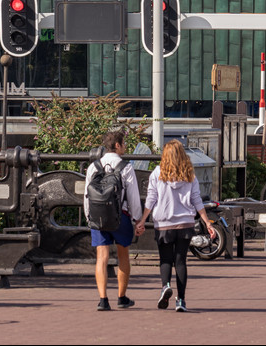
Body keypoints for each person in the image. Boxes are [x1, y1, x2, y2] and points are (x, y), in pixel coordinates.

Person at [134, 141, 217, 313]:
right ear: (182, 154)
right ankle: (181, 300)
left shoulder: (157, 173)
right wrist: (207, 222)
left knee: (165, 259)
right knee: (180, 262)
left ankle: (165, 286)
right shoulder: (189, 174)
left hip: (163, 223)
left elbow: (151, 198)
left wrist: (142, 220)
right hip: (185, 223)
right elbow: (197, 200)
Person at [86, 130, 142, 310]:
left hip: (98, 217)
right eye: (124, 143)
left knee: (101, 257)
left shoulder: (93, 167)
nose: (125, 146)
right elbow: (133, 197)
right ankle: (121, 296)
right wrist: (137, 220)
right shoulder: (126, 167)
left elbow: (87, 196)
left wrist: (89, 217)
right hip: (121, 216)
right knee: (123, 255)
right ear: (117, 145)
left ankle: (103, 299)